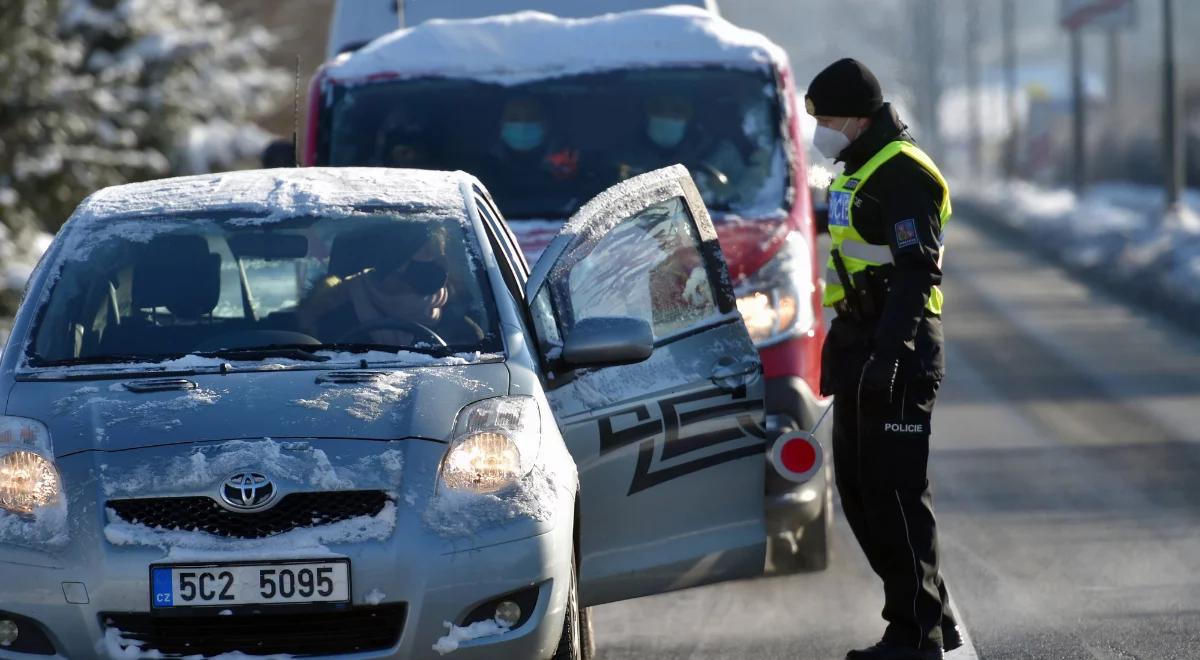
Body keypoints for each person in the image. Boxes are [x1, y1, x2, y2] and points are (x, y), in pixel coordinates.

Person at [806, 58, 960, 660]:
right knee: (860, 491)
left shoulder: (901, 173)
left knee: (894, 492)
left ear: (855, 114)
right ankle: (932, 615)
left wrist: (890, 355)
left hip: (898, 345)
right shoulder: (859, 166)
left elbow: (918, 268)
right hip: (859, 344)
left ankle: (913, 634)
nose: (818, 128)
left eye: (823, 116)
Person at [297, 224, 482, 347]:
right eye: (426, 253)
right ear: (394, 263)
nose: (437, 264)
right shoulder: (336, 314)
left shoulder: (459, 321)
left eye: (437, 255)